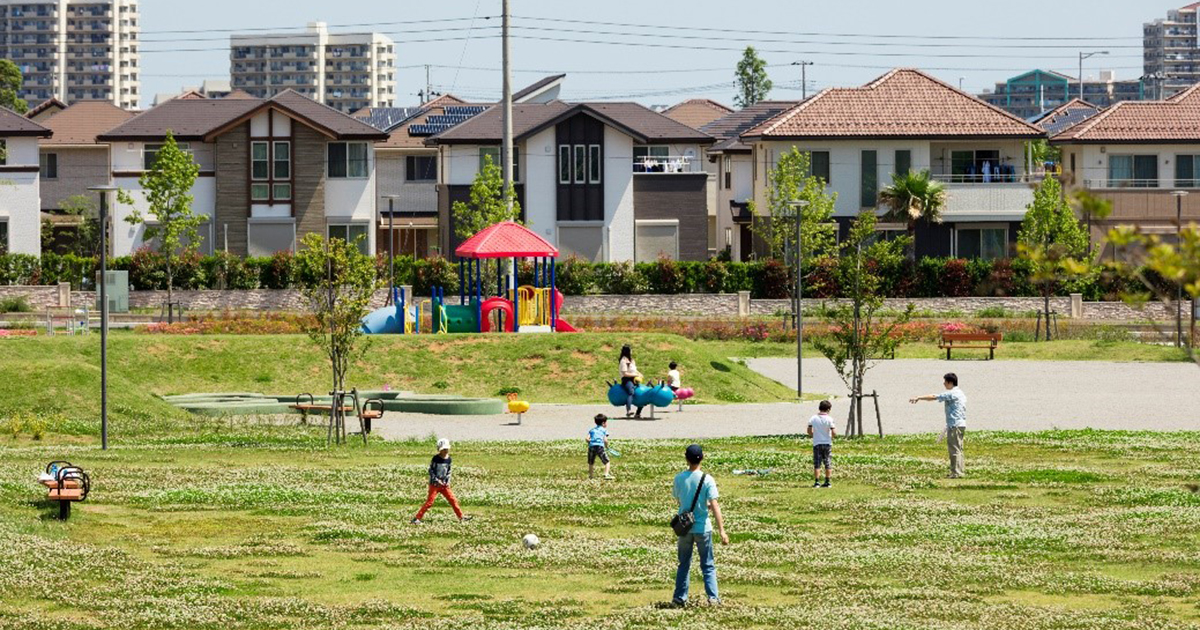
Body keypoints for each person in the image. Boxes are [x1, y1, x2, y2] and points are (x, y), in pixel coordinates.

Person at [671, 444, 729, 607]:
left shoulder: (679, 478)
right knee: (708, 564)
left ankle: (679, 598)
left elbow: (679, 499)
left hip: (685, 528)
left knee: (684, 564)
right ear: (702, 457)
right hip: (703, 527)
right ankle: (712, 598)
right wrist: (722, 530)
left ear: (686, 458)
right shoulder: (707, 479)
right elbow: (715, 505)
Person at [910, 373, 968, 479]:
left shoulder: (952, 394)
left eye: (945, 381)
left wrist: (918, 397)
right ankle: (959, 471)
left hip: (954, 425)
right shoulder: (960, 393)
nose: (944, 383)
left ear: (950, 382)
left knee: (954, 449)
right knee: (959, 449)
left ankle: (956, 473)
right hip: (960, 424)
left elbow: (934, 396)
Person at [412, 438, 472, 524]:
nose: (445, 451)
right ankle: (417, 518)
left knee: (453, 500)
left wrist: (447, 481)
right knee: (430, 502)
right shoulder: (436, 459)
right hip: (435, 485)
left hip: (444, 485)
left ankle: (461, 516)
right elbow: (431, 471)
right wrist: (436, 480)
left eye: (446, 449)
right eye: (443, 449)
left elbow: (449, 471)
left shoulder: (449, 459)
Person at [807, 400, 837, 488]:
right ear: (828, 409)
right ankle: (827, 481)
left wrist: (814, 435)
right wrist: (830, 437)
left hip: (817, 442)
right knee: (827, 462)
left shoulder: (813, 418)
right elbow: (834, 432)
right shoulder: (829, 419)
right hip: (827, 443)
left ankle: (817, 481)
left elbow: (809, 430)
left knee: (817, 463)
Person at [618, 345, 645, 419]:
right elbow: (625, 373)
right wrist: (635, 374)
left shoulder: (632, 360)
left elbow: (635, 370)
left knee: (642, 394)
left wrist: (639, 374)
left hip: (634, 379)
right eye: (631, 349)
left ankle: (638, 413)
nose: (632, 351)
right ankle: (628, 410)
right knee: (631, 392)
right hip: (626, 379)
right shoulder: (623, 360)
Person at [587, 414, 613, 480]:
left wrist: (591, 442)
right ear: (603, 423)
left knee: (591, 462)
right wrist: (607, 446)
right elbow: (605, 440)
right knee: (607, 461)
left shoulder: (592, 430)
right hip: (599, 447)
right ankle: (606, 474)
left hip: (591, 446)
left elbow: (587, 439)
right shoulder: (604, 430)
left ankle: (591, 476)